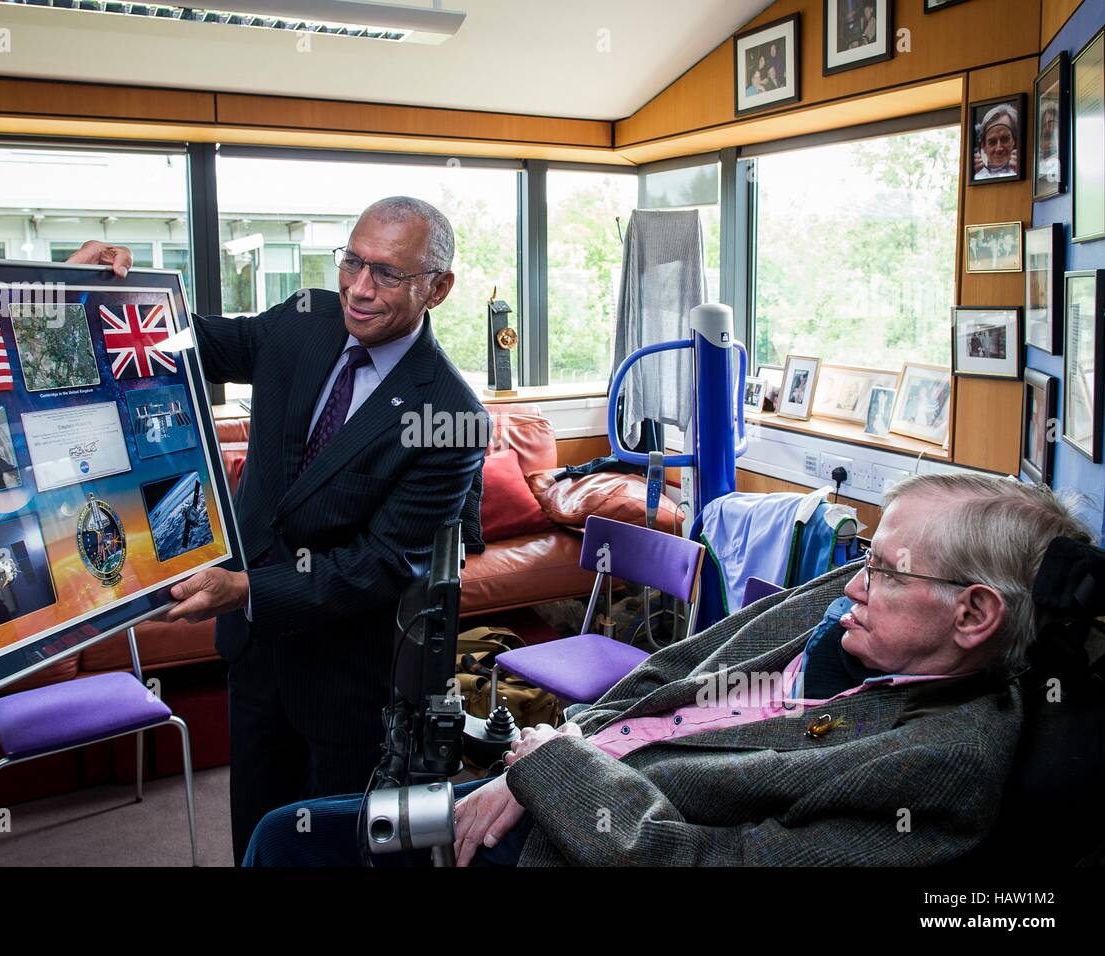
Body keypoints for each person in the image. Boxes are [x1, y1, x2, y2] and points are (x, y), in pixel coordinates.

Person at [244, 473, 1093, 866]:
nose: (856, 580)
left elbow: (690, 864)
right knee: (297, 828)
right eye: (864, 556)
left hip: (574, 838)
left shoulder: (937, 766)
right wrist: (569, 736)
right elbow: (669, 674)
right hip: (551, 771)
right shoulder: (844, 609)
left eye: (886, 569)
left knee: (295, 846)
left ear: (976, 614)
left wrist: (551, 769)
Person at [67, 196, 488, 863]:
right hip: (256, 656)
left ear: (438, 287)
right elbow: (187, 341)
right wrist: (92, 292)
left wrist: (246, 590)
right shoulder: (304, 321)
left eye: (386, 273)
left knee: (325, 850)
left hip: (344, 679)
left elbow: (381, 565)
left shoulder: (451, 415)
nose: (358, 287)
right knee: (256, 839)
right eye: (352, 260)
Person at [974, 104, 1020, 180]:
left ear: (1015, 141)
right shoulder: (976, 175)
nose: (999, 148)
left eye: (1005, 139)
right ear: (984, 147)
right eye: (992, 142)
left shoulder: (1028, 171)